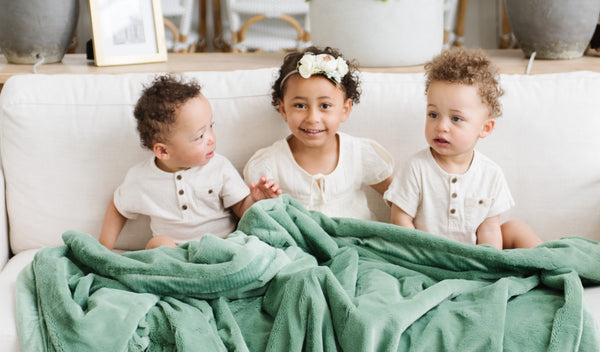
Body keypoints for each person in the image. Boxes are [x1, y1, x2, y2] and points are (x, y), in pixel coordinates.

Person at [99, 74, 280, 250]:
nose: (211, 139)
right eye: (200, 136)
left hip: (220, 248)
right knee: (159, 243)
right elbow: (118, 208)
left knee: (245, 245)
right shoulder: (141, 178)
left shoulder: (219, 167)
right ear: (163, 151)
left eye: (211, 126)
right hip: (175, 256)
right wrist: (103, 248)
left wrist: (255, 200)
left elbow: (240, 207)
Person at [385, 47, 541, 249]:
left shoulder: (490, 174)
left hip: (473, 259)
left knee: (516, 228)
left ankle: (555, 263)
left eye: (456, 118)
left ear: (485, 128)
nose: (441, 126)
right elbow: (400, 222)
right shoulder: (416, 168)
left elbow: (489, 230)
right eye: (433, 114)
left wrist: (487, 266)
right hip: (427, 258)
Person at [243, 46, 395, 221]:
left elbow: (400, 198)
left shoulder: (359, 153)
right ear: (284, 109)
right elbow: (254, 217)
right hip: (300, 244)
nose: (312, 118)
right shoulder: (270, 163)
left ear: (345, 110)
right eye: (300, 105)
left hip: (355, 240)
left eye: (325, 106)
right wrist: (258, 202)